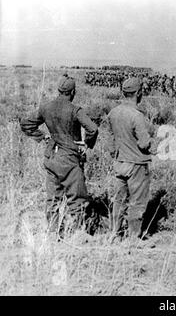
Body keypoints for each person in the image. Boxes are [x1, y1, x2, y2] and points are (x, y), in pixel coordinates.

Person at [20, 75, 98, 237]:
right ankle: (78, 235)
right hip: (69, 158)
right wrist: (87, 145)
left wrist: (43, 136)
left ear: (59, 91)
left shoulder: (46, 107)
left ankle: (53, 233)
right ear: (72, 92)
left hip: (51, 157)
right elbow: (93, 129)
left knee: (53, 199)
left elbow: (26, 124)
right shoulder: (75, 110)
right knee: (77, 199)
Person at [107, 78, 155, 241]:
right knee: (137, 202)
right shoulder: (137, 115)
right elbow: (144, 143)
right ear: (138, 93)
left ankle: (115, 233)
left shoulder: (114, 112)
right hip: (136, 164)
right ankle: (133, 238)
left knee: (119, 200)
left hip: (119, 162)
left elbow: (111, 139)